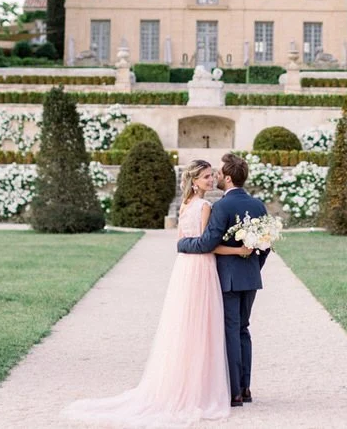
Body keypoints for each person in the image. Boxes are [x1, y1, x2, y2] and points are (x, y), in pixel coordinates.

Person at [62, 159, 251, 427]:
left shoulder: (185, 205)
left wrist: (186, 245)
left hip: (184, 269)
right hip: (201, 268)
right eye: (207, 176)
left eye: (212, 176)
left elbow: (183, 241)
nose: (211, 180)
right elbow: (208, 245)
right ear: (195, 181)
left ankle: (182, 382)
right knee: (203, 326)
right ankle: (202, 388)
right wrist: (237, 250)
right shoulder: (206, 206)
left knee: (185, 325)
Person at [177, 153, 268, 408]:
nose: (215, 176)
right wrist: (252, 267)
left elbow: (208, 243)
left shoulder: (222, 207)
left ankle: (235, 393)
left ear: (227, 178)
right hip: (250, 277)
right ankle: (247, 388)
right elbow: (266, 245)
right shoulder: (259, 205)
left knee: (230, 331)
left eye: (217, 173)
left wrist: (183, 243)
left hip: (227, 279)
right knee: (243, 330)